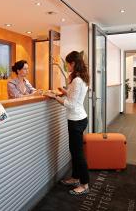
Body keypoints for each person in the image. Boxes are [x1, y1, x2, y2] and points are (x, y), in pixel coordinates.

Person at [45, 51, 89, 195]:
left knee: (78, 154)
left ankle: (84, 184)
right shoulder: (80, 78)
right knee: (74, 151)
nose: (66, 66)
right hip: (78, 119)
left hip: (76, 120)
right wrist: (64, 92)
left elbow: (71, 104)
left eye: (68, 64)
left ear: (73, 63)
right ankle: (75, 177)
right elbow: (74, 97)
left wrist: (54, 97)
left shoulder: (77, 80)